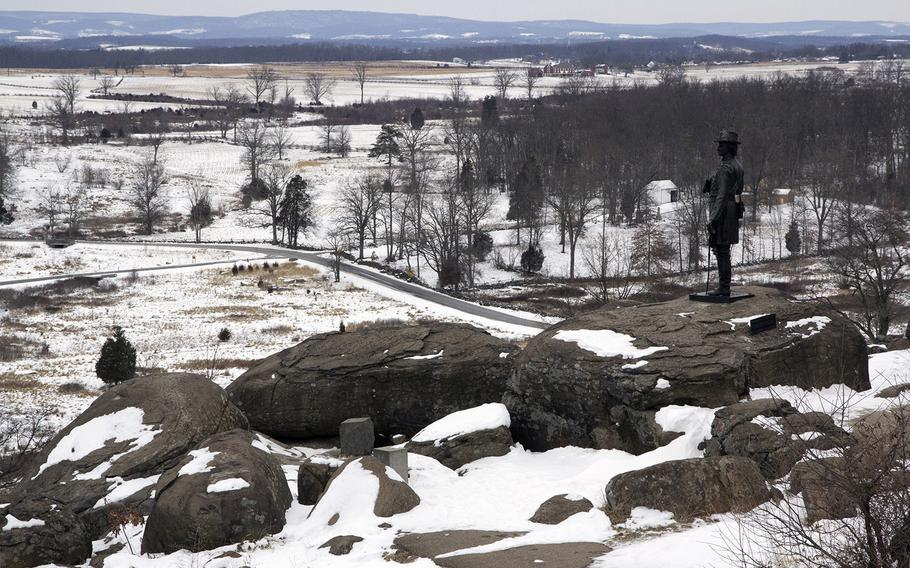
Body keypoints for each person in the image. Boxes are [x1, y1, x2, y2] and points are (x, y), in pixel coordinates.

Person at [703, 130, 744, 297]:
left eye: (721, 144)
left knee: (722, 251)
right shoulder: (737, 165)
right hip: (731, 210)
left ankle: (724, 287)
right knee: (723, 251)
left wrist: (713, 218)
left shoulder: (726, 168)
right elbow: (734, 190)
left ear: (728, 147)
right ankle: (724, 286)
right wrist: (712, 181)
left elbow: (721, 196)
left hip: (723, 213)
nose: (718, 147)